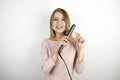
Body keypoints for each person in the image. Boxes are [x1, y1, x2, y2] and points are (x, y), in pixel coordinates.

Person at [41, 8, 85, 80]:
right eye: (55, 19)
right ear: (51, 23)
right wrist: (57, 48)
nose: (59, 23)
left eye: (63, 19)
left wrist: (81, 49)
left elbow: (79, 71)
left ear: (67, 22)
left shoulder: (74, 43)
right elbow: (45, 70)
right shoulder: (46, 43)